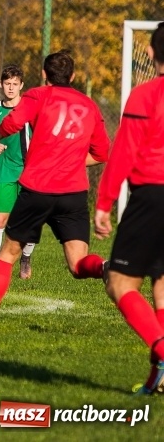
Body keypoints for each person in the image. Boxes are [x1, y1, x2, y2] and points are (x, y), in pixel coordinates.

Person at [0, 50, 111, 332]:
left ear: (45, 75)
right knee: (79, 264)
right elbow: (102, 152)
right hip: (73, 194)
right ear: (72, 76)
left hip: (38, 188)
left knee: (8, 254)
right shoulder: (89, 105)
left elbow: (12, 122)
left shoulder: (38, 95)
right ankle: (104, 267)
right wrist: (69, 164)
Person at [94, 22, 164, 395]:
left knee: (120, 283)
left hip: (153, 196)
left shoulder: (145, 95)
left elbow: (123, 154)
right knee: (163, 286)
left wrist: (104, 202)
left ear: (150, 54)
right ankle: (161, 375)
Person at [0, 65, 36, 279]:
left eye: (15, 84)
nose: (11, 88)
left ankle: (26, 257)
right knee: (0, 219)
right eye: (7, 83)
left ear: (21, 86)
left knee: (30, 220)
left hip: (32, 170)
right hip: (5, 170)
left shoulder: (31, 110)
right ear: (1, 84)